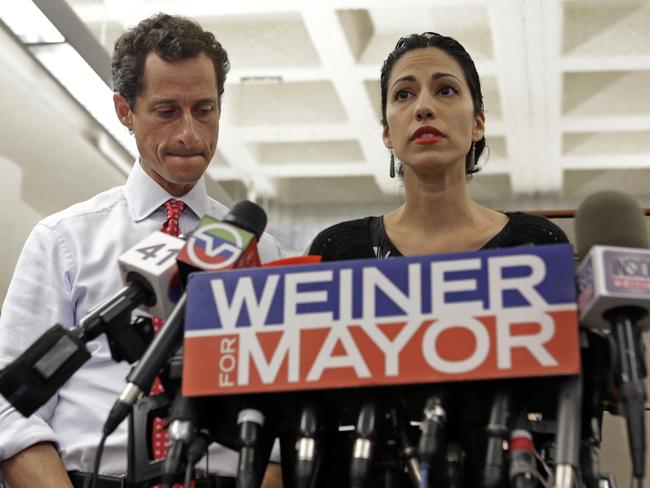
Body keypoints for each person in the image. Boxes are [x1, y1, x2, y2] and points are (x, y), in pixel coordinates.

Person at [0, 14, 283, 488]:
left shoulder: (262, 253)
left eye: (205, 110)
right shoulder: (63, 241)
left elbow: (278, 417)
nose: (190, 134)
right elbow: (9, 404)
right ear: (124, 110)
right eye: (167, 111)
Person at [308, 32, 567, 260]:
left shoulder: (537, 243)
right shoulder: (337, 250)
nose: (423, 108)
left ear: (477, 124)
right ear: (387, 133)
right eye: (403, 94)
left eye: (445, 90)